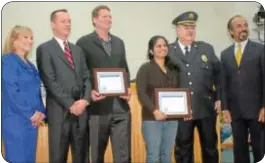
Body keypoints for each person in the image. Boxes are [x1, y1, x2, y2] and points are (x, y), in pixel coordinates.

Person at [76, 5, 131, 163]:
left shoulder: (119, 42)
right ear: (94, 20)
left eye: (110, 16)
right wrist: (90, 92)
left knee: (123, 156)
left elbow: (124, 70)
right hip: (97, 109)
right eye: (104, 16)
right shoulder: (84, 42)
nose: (108, 19)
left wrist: (126, 89)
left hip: (121, 107)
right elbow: (81, 73)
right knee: (97, 155)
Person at [36, 9, 91, 163]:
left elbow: (87, 77)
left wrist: (85, 101)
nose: (67, 24)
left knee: (82, 157)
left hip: (81, 112)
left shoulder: (77, 50)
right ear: (53, 24)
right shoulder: (44, 49)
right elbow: (49, 81)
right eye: (63, 21)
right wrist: (70, 104)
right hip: (59, 112)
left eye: (69, 21)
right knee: (58, 157)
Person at [168, 11, 221, 163]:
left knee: (210, 148)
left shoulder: (206, 49)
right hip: (180, 111)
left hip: (205, 107)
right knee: (183, 150)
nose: (190, 30)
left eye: (193, 27)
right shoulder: (169, 52)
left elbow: (219, 75)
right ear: (177, 30)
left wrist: (219, 98)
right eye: (186, 27)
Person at [220, 15, 264, 163]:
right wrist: (225, 108)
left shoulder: (260, 49)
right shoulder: (225, 54)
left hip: (257, 111)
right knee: (239, 151)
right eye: (238, 26)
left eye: (245, 25)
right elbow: (223, 84)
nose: (243, 28)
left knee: (260, 149)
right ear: (230, 32)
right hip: (235, 112)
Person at [2, 25, 46, 163]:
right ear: (14, 40)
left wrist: (41, 112)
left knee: (29, 159)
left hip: (32, 122)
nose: (30, 41)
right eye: (25, 37)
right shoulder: (7, 61)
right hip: (16, 121)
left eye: (32, 38)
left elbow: (36, 92)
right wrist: (31, 113)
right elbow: (11, 91)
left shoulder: (30, 65)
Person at [136, 35, 180, 163]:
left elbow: (178, 93)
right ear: (151, 51)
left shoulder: (173, 69)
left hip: (172, 119)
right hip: (152, 119)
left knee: (167, 155)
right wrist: (155, 111)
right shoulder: (145, 69)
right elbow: (141, 93)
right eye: (159, 46)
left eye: (165, 45)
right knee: (153, 155)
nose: (163, 48)